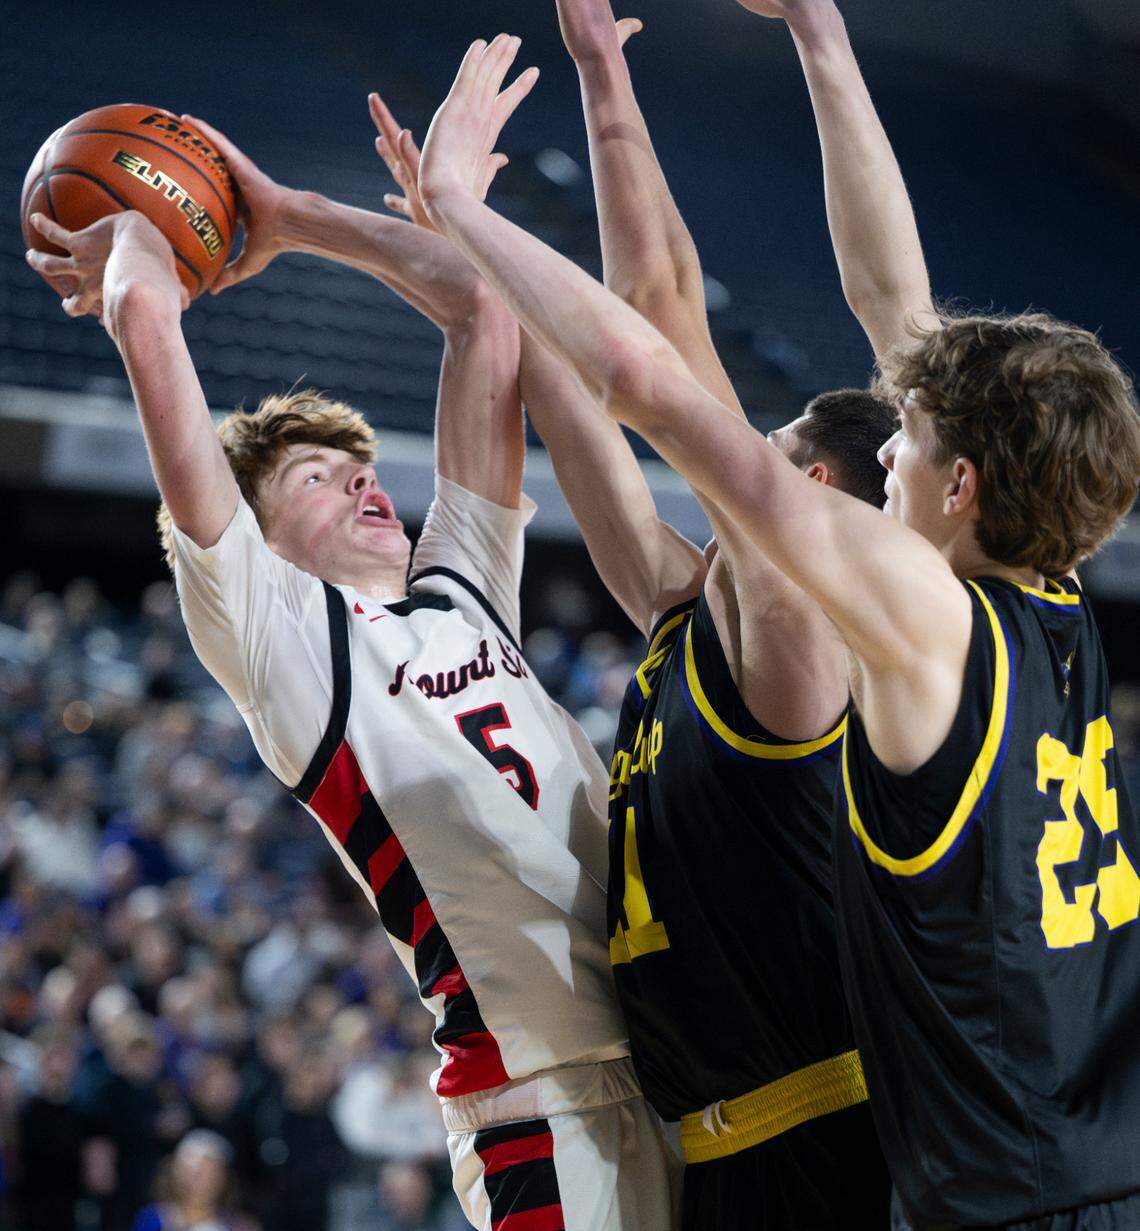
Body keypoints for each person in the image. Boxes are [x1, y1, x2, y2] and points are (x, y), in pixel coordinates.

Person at [412, 25, 1140, 1231]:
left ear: (961, 491)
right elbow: (891, 298)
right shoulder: (1054, 592)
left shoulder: (924, 619)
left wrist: (462, 211)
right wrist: (820, 33)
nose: (888, 445)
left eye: (908, 449)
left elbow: (650, 375)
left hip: (1008, 1204)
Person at [24, 96, 677, 1227]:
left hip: (677, 1061)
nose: (365, 481)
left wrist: (292, 214)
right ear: (264, 543)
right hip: (544, 1103)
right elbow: (146, 322)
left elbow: (483, 314)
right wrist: (142, 254)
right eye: (318, 478)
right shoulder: (290, 647)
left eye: (361, 467)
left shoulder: (463, 587)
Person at [368, 1, 893, 1225]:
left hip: (830, 1142)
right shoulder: (689, 607)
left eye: (768, 443)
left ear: (807, 485)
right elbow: (567, 388)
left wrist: (598, 92)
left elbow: (659, 310)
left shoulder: (801, 633)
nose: (739, 453)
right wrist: (475, 252)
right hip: (709, 1151)